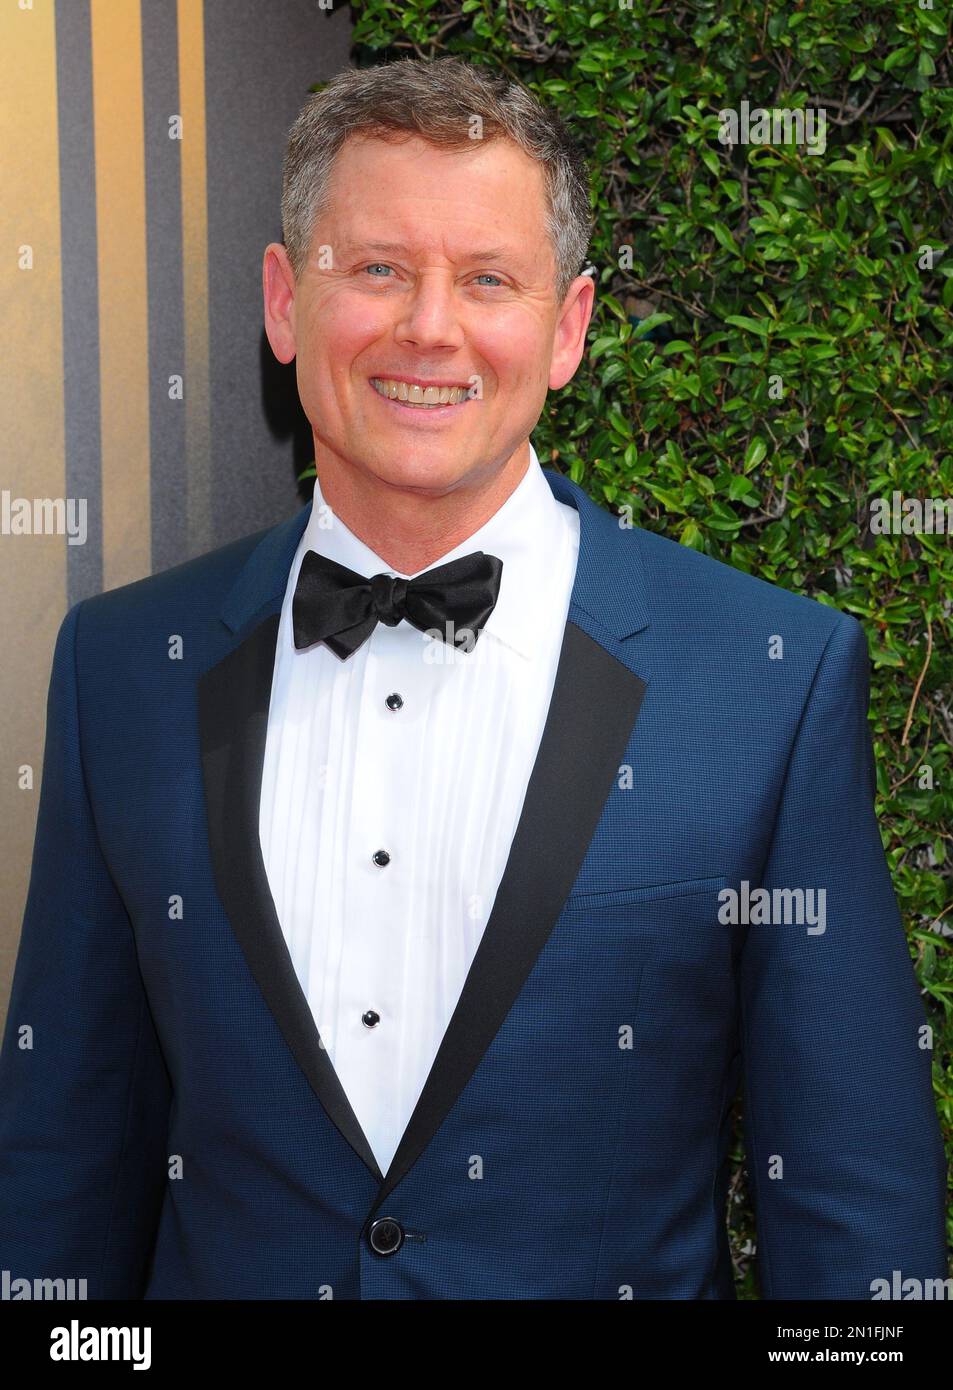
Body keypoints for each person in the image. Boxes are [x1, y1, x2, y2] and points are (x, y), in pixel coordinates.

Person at [0, 56, 946, 1301]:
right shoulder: (123, 668)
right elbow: (64, 1167)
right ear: (286, 302)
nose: (427, 327)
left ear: (566, 330)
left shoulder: (767, 682)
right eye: (376, 268)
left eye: (487, 279)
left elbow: (847, 1195)